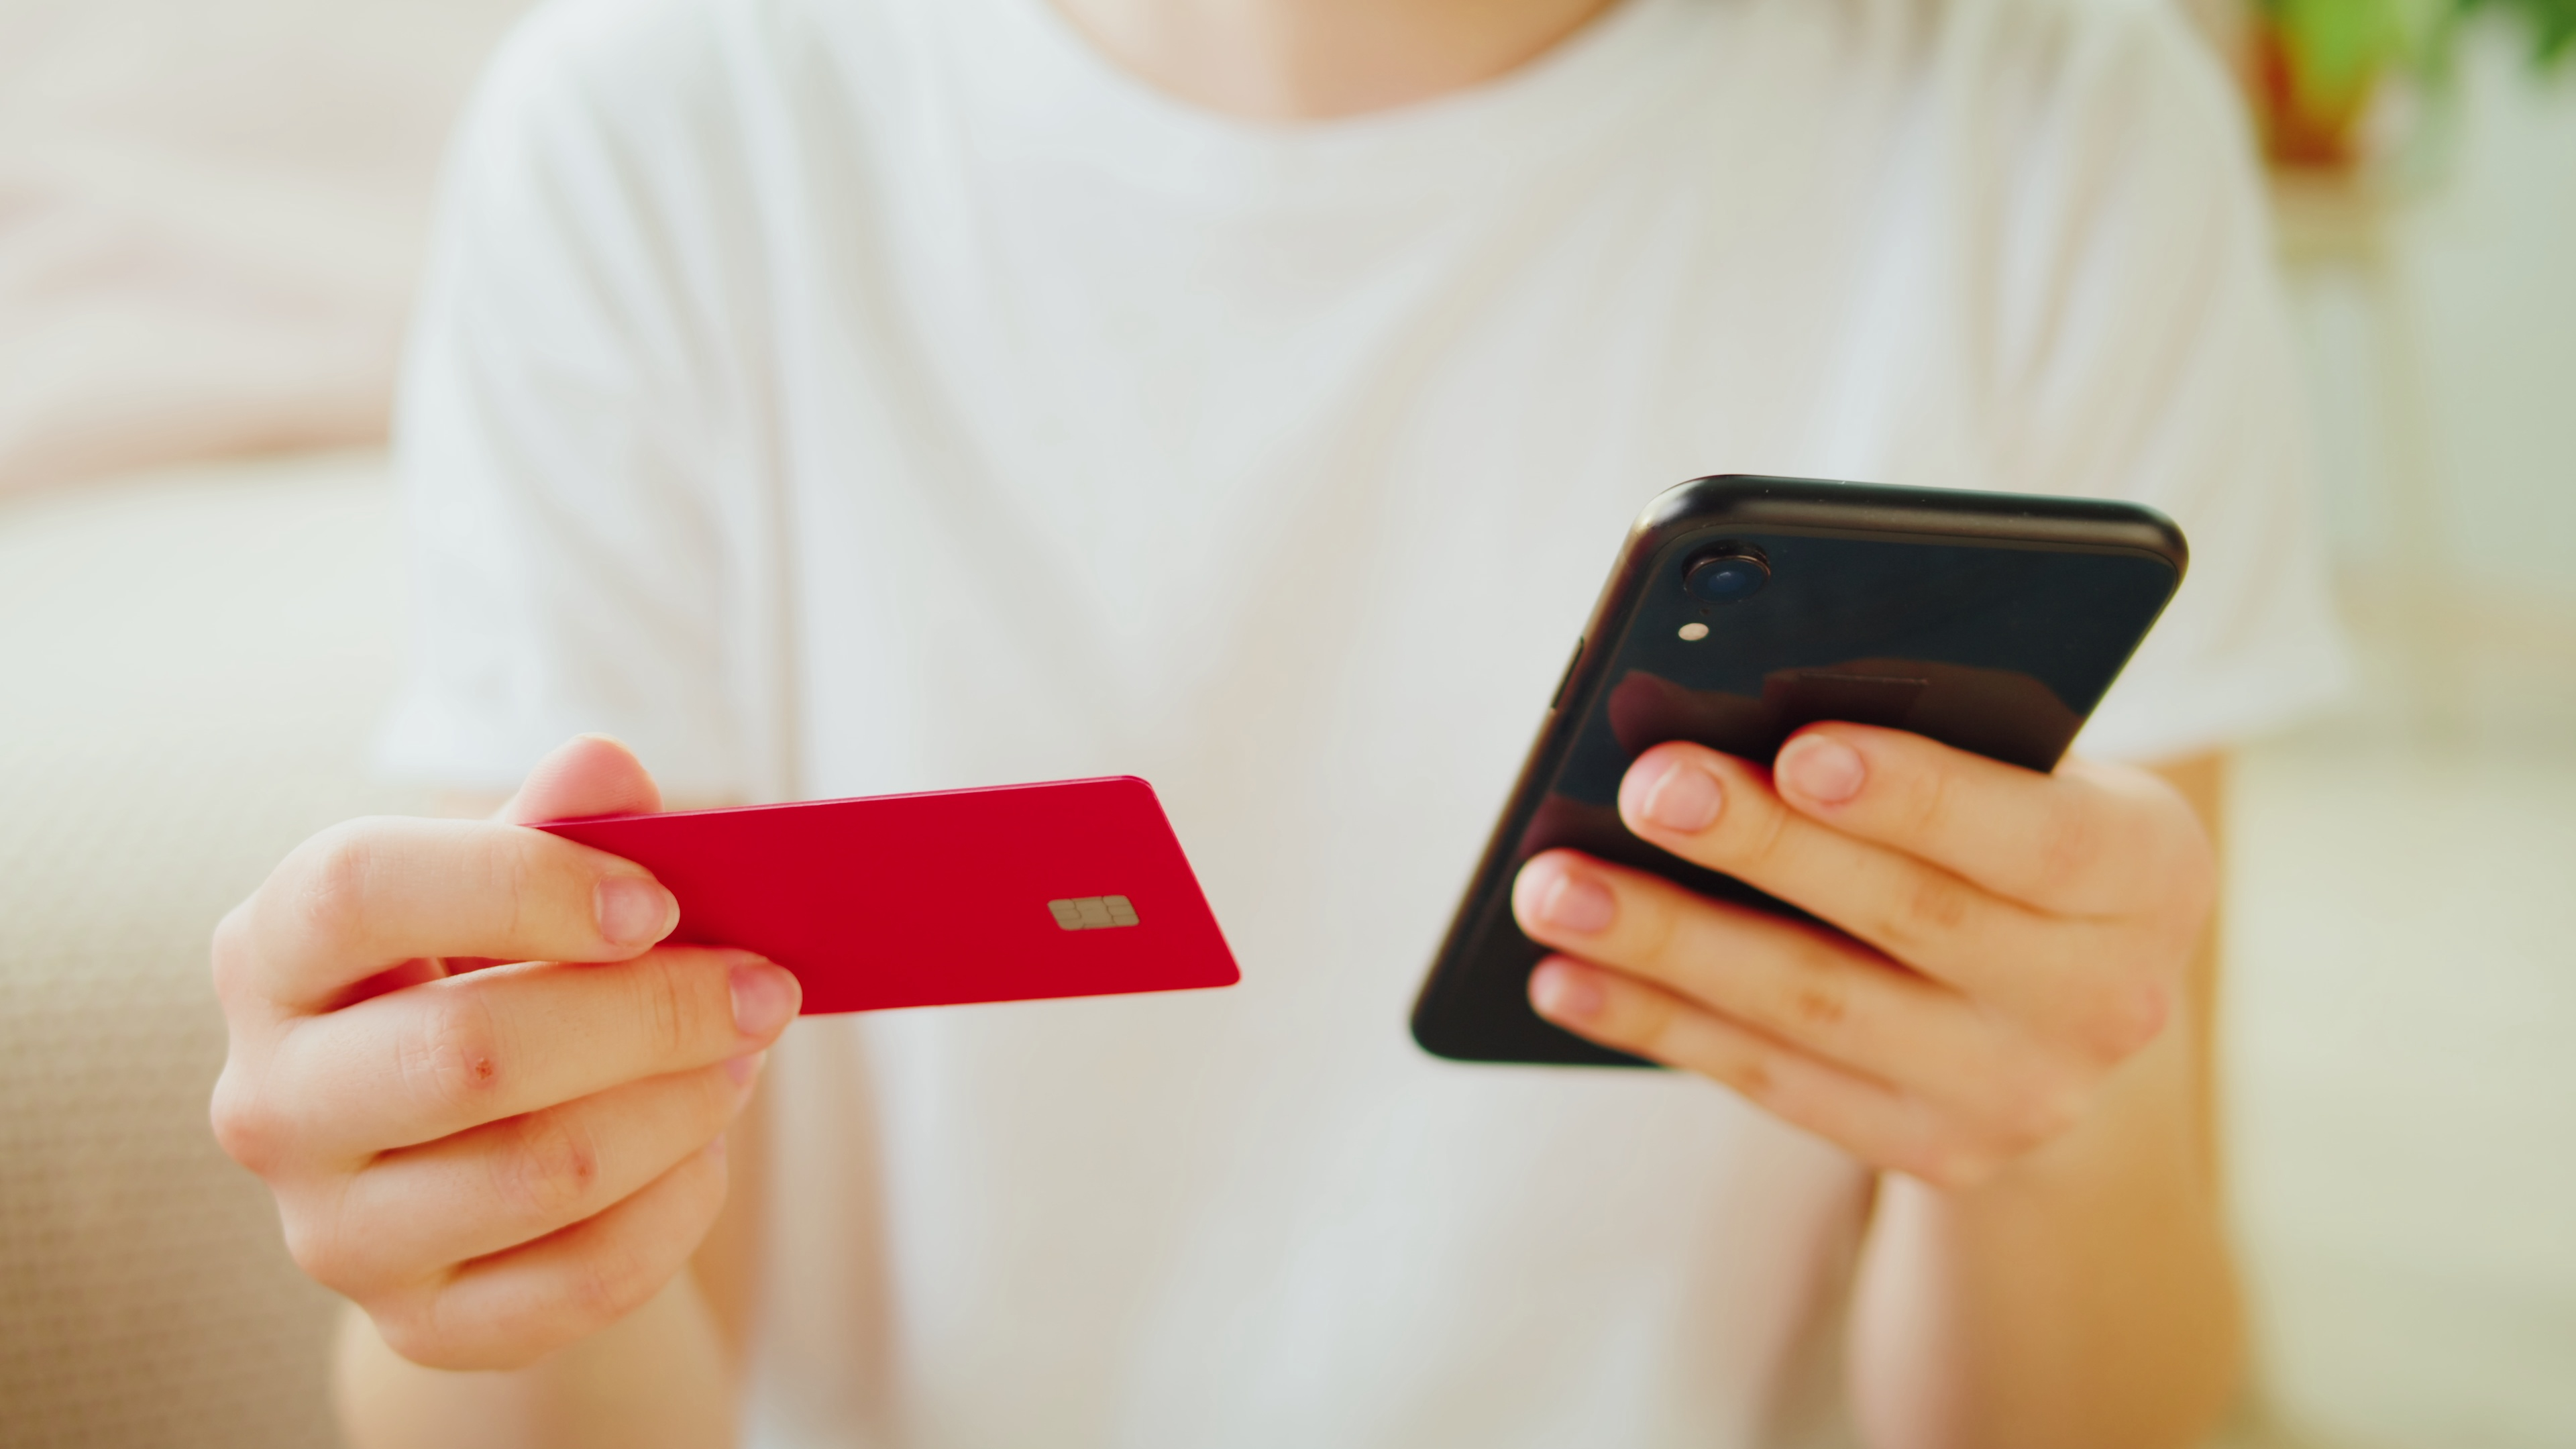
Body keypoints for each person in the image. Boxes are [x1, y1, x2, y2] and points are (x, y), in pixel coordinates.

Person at [207, 0, 2347, 1444]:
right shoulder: (660, 129)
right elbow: (617, 1323)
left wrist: (2054, 1129)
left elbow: (2107, 1396)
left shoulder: (2055, 121)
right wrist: (492, 1232)